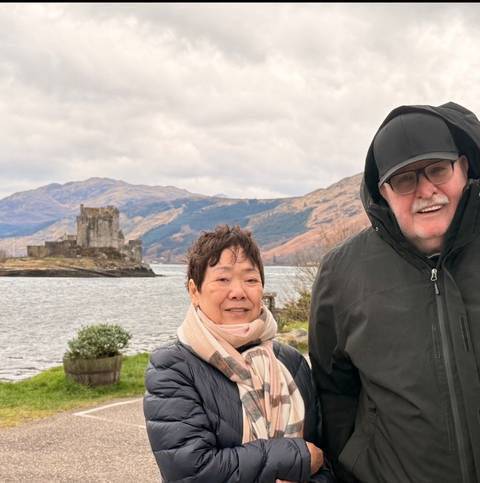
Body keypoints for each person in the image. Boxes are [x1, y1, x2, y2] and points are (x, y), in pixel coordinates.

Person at [309, 102, 480, 483]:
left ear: (464, 167)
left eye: (438, 169)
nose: (426, 190)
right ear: (383, 191)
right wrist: (354, 465)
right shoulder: (342, 273)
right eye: (404, 180)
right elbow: (333, 389)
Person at [144, 225, 335, 482]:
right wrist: (296, 457)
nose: (238, 292)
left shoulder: (292, 362)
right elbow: (192, 470)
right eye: (223, 279)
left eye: (250, 279)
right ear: (194, 291)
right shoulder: (173, 367)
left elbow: (326, 460)